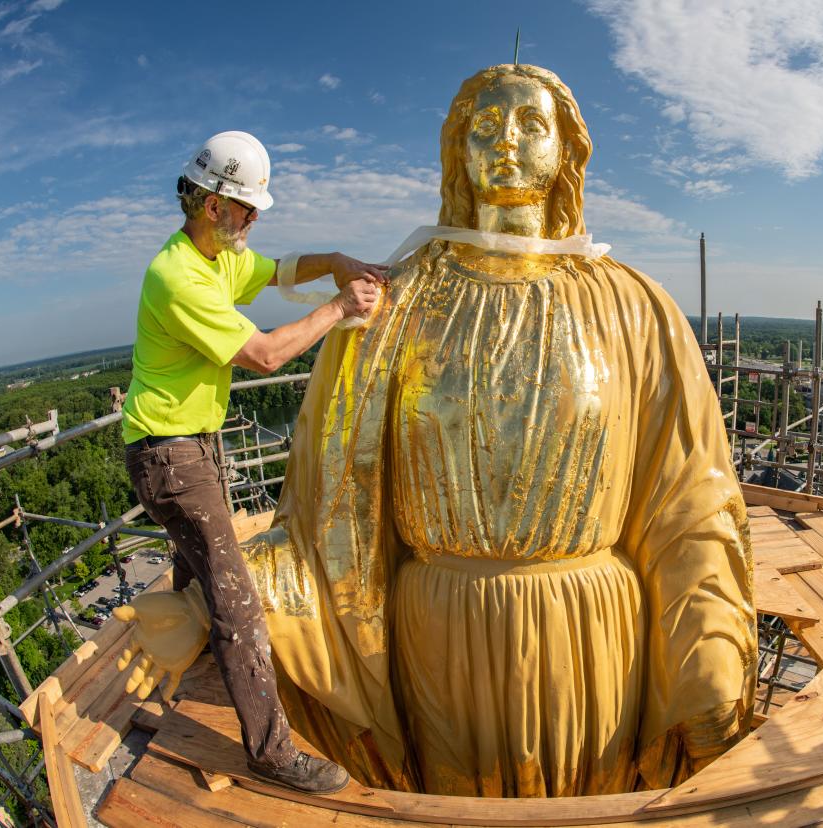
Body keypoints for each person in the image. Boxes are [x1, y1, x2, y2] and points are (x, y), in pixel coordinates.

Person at [119, 70, 755, 796]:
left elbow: (691, 501)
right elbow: (336, 503)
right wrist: (212, 604)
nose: (506, 143)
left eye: (529, 126)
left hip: (588, 641)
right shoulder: (400, 302)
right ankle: (256, 710)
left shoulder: (636, 309)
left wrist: (707, 663)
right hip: (441, 641)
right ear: (456, 152)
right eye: (483, 129)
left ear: (570, 151)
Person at [116, 130, 387, 795]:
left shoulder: (216, 259)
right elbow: (265, 355)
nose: (255, 220)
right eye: (247, 208)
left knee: (202, 578)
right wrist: (340, 306)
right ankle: (271, 752)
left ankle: (194, 655)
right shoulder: (175, 273)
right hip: (170, 456)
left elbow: (280, 268)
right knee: (237, 601)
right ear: (211, 205)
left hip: (186, 448)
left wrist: (338, 259)